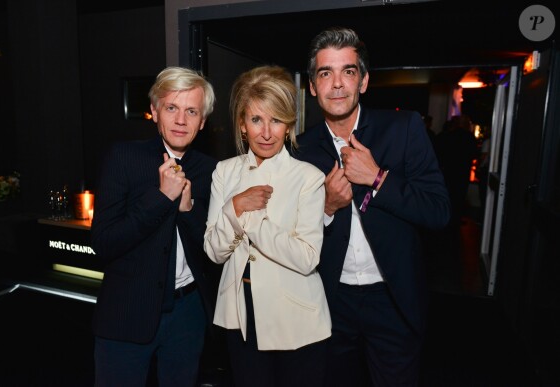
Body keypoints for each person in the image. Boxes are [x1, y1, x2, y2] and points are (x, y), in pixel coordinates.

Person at [294, 27, 451, 386]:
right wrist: (327, 210)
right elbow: (291, 233)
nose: (337, 84)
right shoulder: (300, 150)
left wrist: (379, 179)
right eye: (325, 73)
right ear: (313, 87)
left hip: (392, 298)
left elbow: (438, 211)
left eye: (348, 71)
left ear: (363, 81)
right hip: (331, 301)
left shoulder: (404, 128)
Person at [90, 66, 219, 387]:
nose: (180, 120)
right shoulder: (123, 157)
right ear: (154, 111)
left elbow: (213, 249)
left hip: (188, 314)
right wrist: (162, 198)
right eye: (171, 108)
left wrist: (187, 209)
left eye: (191, 111)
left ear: (202, 121)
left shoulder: (211, 170)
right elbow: (104, 243)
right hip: (127, 314)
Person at [203, 65, 331, 387]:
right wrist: (234, 207)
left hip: (296, 318)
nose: (266, 132)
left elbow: (307, 257)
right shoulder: (224, 172)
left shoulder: (309, 178)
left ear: (289, 126)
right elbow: (214, 252)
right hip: (240, 313)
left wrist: (253, 220)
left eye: (276, 120)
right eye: (256, 119)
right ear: (242, 125)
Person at [434, 114, 479, 228]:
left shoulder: (445, 136)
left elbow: (437, 153)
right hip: (462, 173)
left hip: (447, 171)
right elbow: (474, 155)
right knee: (459, 197)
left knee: (446, 194)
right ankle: (455, 219)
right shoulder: (469, 137)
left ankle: (444, 218)